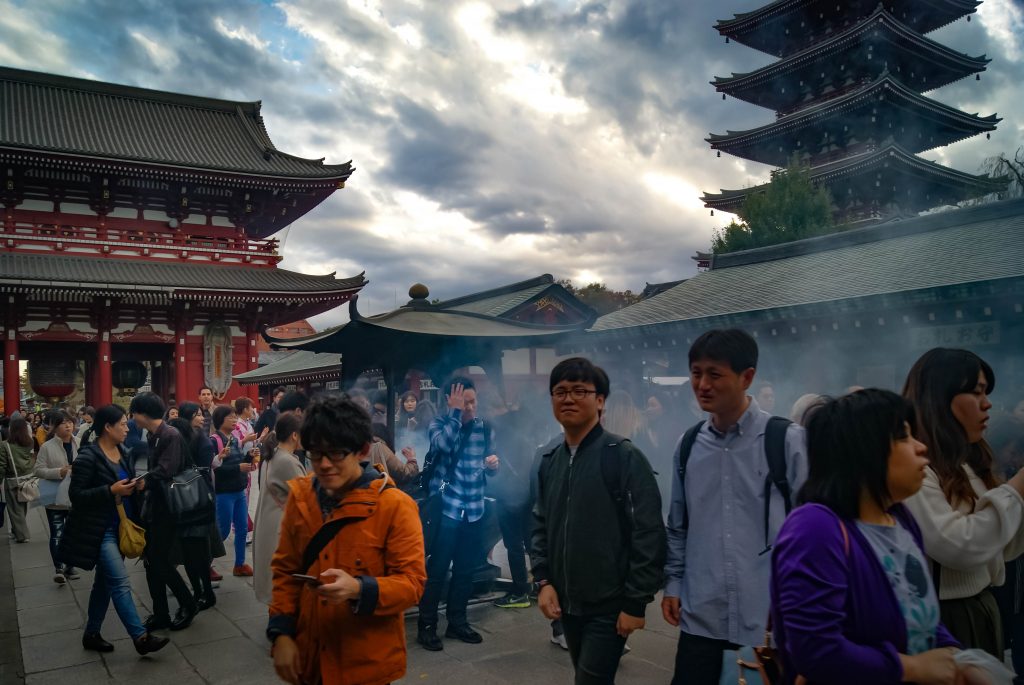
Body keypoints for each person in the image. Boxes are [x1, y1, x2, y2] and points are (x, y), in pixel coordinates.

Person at [770, 389, 965, 684]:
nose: (921, 447)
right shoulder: (814, 528)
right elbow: (817, 650)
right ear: (863, 450)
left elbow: (918, 614)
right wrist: (911, 668)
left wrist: (957, 658)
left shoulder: (901, 518)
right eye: (904, 437)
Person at [662, 329, 807, 685]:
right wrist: (674, 584)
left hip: (768, 619)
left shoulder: (785, 440)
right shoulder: (689, 444)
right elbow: (678, 524)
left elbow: (812, 530)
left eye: (715, 374)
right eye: (696, 373)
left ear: (747, 377)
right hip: (701, 615)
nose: (702, 385)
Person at [266, 394, 426, 685]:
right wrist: (282, 633)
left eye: (336, 453)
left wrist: (358, 588)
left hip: (366, 662)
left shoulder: (395, 507)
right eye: (315, 454)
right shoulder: (301, 499)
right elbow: (285, 571)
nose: (324, 465)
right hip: (311, 657)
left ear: (362, 450)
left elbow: (412, 583)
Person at [532, 357, 666, 684]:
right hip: (567, 601)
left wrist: (635, 602)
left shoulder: (622, 456)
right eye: (560, 391)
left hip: (608, 603)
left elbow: (648, 533)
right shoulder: (551, 460)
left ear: (600, 400)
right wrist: (544, 580)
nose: (568, 398)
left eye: (580, 390)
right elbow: (540, 523)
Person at [903, 348, 1024, 657]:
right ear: (940, 399)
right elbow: (958, 545)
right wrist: (1017, 488)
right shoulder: (914, 469)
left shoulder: (964, 464)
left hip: (982, 606)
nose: (988, 403)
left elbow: (1002, 545)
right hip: (946, 618)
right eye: (976, 392)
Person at [58, 404, 169, 656]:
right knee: (119, 582)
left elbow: (124, 485)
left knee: (104, 584)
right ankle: (140, 638)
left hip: (121, 525)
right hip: (100, 529)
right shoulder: (87, 456)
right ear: (107, 427)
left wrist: (136, 486)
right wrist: (111, 491)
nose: (126, 427)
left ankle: (92, 633)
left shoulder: (123, 451)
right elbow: (76, 495)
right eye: (121, 423)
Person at [416, 376, 500, 651]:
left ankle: (457, 621)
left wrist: (492, 465)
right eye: (465, 403)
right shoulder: (440, 424)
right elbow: (443, 447)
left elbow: (489, 463)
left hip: (474, 507)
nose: (471, 408)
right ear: (451, 403)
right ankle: (427, 626)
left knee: (465, 570)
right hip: (448, 507)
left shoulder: (484, 427)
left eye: (473, 402)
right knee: (438, 569)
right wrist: (454, 414)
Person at [129, 391, 198, 632]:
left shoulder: (170, 434)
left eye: (134, 412)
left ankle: (188, 603)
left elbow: (166, 470)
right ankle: (160, 613)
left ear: (143, 413)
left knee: (158, 560)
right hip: (156, 506)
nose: (132, 418)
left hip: (168, 508)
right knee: (151, 560)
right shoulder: (155, 435)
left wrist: (144, 481)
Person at [253, 411, 306, 604]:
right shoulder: (288, 461)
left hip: (269, 523)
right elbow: (306, 497)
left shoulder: (272, 455)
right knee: (284, 580)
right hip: (281, 528)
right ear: (294, 435)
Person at [168, 409, 217, 611]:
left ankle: (201, 592)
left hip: (188, 506)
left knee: (191, 554)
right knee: (199, 552)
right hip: (200, 504)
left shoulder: (186, 449)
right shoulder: (196, 441)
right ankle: (204, 592)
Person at [35, 410, 79, 583]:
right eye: (63, 422)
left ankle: (70, 565)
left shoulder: (79, 443)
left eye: (70, 421)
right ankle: (59, 567)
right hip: (54, 497)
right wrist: (58, 472)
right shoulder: (47, 447)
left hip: (74, 495)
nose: (68, 425)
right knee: (57, 533)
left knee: (73, 532)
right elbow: (38, 470)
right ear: (53, 427)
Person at [211, 405, 255, 576]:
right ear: (221, 420)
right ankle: (206, 562)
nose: (234, 419)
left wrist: (249, 456)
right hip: (224, 493)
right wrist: (238, 468)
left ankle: (239, 564)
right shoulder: (214, 440)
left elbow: (238, 461)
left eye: (235, 416)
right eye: (230, 416)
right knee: (222, 530)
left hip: (239, 491)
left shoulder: (235, 439)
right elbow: (215, 468)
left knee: (242, 529)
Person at [0, 416, 35, 543]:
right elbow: (32, 458)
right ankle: (16, 530)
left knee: (14, 509)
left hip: (12, 480)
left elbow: (2, 466)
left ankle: (22, 535)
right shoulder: (30, 442)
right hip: (28, 478)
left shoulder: (5, 445)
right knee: (22, 506)